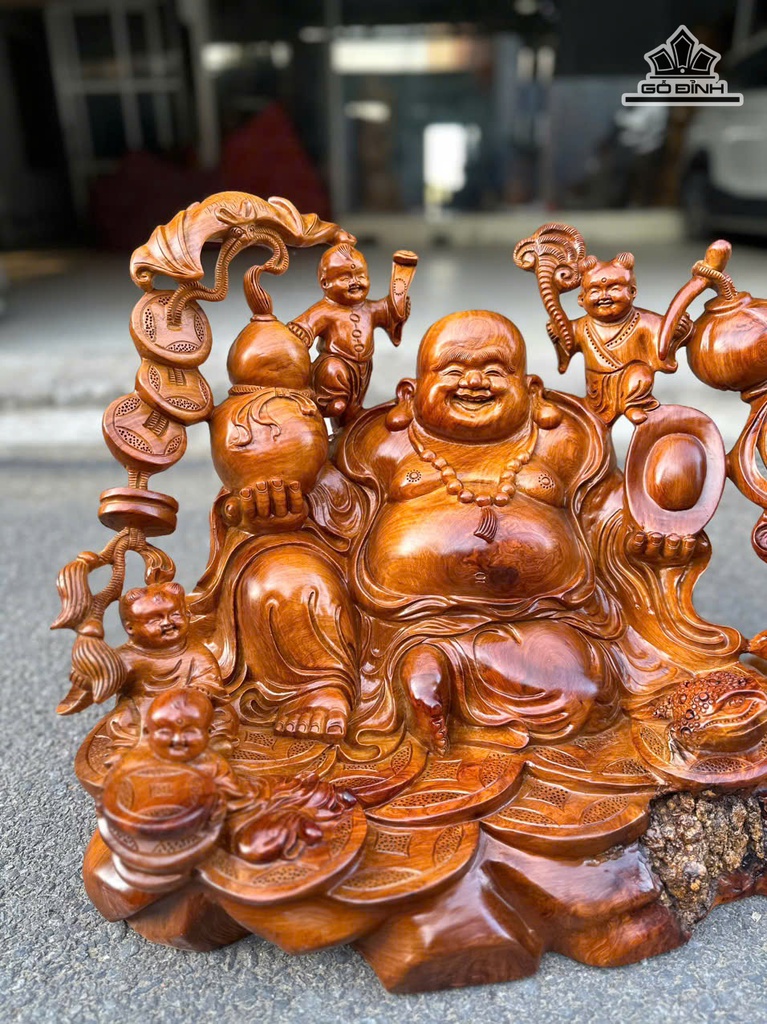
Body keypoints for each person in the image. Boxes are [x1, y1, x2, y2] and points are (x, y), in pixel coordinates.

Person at [547, 254, 691, 425]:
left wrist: (678, 329)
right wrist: (558, 334)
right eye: (594, 291)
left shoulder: (645, 322)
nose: (604, 296)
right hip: (597, 387)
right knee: (595, 422)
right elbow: (567, 343)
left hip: (633, 381)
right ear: (581, 299)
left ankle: (632, 405)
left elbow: (664, 336)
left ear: (632, 292)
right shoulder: (580, 327)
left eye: (614, 289)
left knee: (640, 374)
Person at [287, 244, 403, 424]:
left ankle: (346, 430)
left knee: (352, 411)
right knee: (337, 405)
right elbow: (301, 328)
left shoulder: (370, 308)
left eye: (361, 276)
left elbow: (390, 310)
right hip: (334, 367)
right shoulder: (325, 310)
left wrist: (400, 293)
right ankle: (312, 408)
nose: (355, 282)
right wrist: (299, 334)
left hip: (362, 369)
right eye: (345, 278)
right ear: (325, 283)